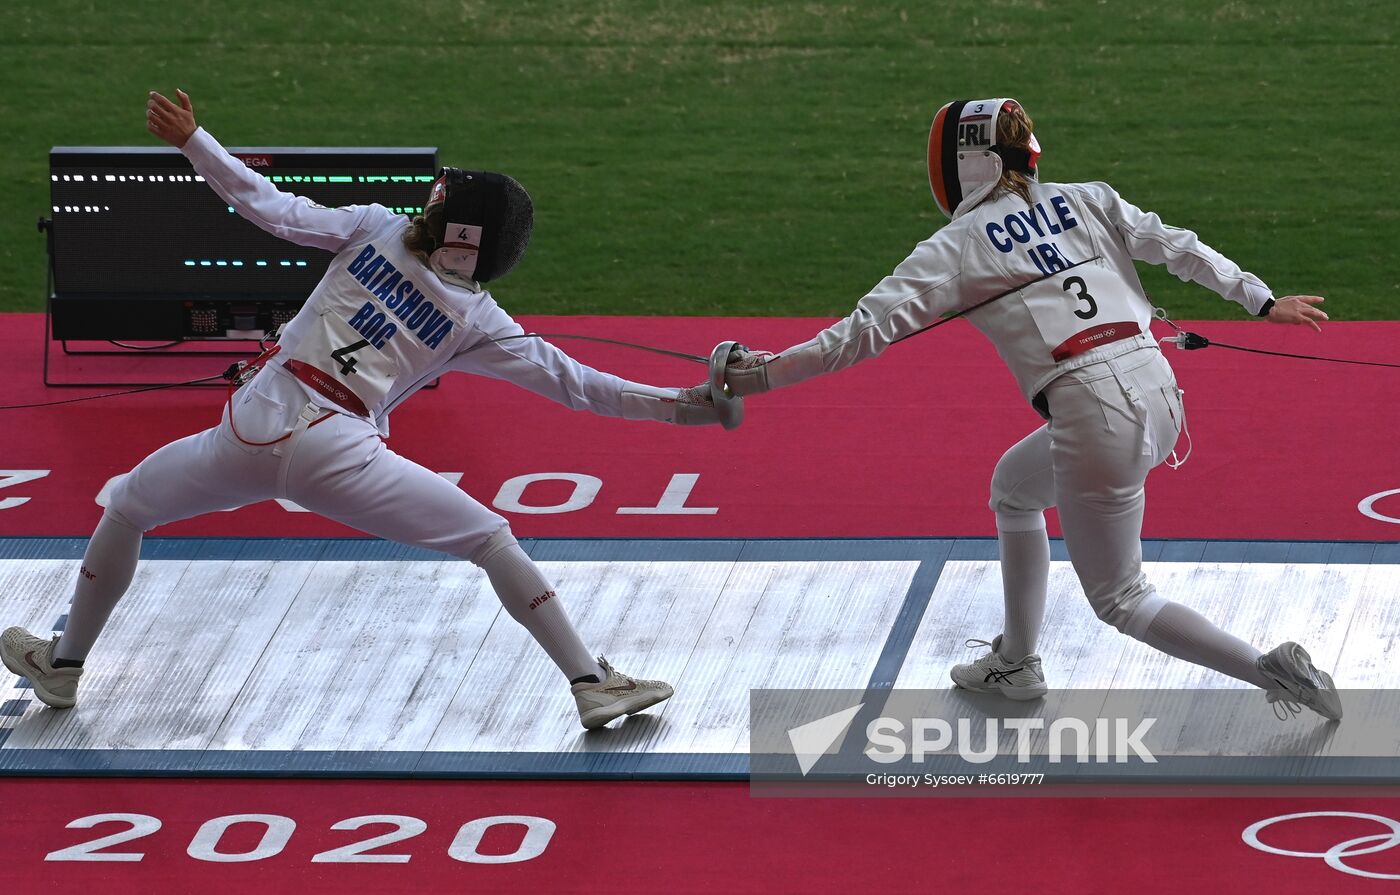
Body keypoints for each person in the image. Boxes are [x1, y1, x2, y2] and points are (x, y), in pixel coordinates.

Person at [2, 89, 731, 730]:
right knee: (490, 538)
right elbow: (580, 385)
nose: (427, 207)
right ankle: (590, 683)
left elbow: (268, 206)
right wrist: (690, 407)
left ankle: (65, 665)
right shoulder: (479, 319)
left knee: (127, 505)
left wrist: (196, 140)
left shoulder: (374, 228)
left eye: (439, 206)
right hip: (339, 453)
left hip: (249, 429)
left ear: (457, 232)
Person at [721, 98, 1341, 720]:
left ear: (963, 164)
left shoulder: (958, 245)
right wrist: (1260, 300)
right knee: (1015, 490)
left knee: (1122, 597)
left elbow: (859, 334)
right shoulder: (1088, 198)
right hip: (1158, 391)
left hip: (1096, 412)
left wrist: (763, 376)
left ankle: (1271, 671)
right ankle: (1016, 661)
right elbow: (1174, 245)